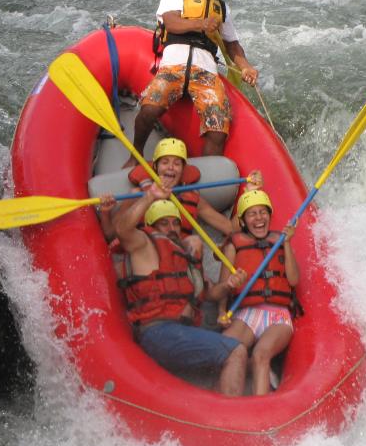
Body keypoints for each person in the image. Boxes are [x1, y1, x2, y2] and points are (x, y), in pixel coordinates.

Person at [123, 0, 259, 169]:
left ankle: (204, 177)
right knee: (149, 110)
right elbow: (171, 22)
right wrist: (200, 24)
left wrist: (246, 67)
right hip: (173, 66)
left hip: (205, 72)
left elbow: (232, 45)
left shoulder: (222, 9)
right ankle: (135, 156)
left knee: (217, 129)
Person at [114, 184, 250, 395]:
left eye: (175, 223)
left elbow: (211, 293)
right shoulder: (145, 245)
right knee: (237, 351)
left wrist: (229, 285)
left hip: (183, 333)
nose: (172, 228)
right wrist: (149, 196)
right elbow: (123, 229)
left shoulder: (185, 258)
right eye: (164, 223)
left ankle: (215, 409)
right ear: (152, 225)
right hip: (159, 333)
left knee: (239, 348)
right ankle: (231, 421)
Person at [218, 190, 300, 396]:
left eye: (263, 212)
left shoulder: (281, 241)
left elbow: (293, 279)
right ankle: (224, 405)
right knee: (225, 350)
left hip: (278, 316)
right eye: (252, 214)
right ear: (244, 221)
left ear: (269, 216)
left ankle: (262, 411)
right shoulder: (234, 245)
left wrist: (288, 243)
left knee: (261, 354)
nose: (258, 218)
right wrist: (221, 312)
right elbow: (223, 285)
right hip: (246, 314)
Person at [102, 136, 262, 241]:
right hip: (147, 258)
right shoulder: (137, 195)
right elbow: (110, 234)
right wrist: (105, 212)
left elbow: (230, 228)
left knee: (195, 243)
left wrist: (249, 195)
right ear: (156, 167)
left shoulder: (192, 198)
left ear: (183, 168)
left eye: (177, 163)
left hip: (180, 262)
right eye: (165, 162)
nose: (171, 168)